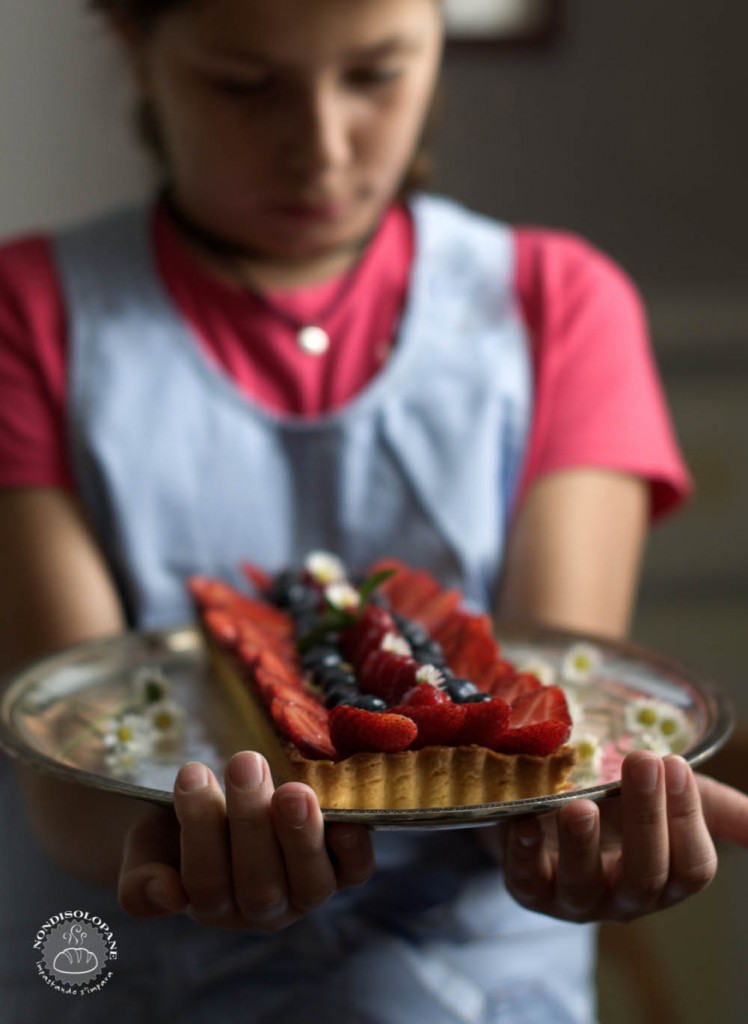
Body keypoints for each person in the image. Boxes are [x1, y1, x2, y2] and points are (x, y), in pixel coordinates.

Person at [0, 1, 746, 1020]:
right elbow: (69, 777)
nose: (321, 146)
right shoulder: (27, 312)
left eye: (376, 73)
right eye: (244, 84)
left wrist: (580, 832)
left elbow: (543, 727)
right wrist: (169, 836)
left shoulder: (559, 305)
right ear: (135, 48)